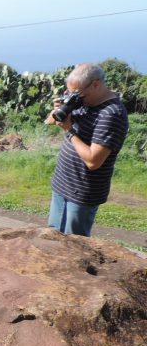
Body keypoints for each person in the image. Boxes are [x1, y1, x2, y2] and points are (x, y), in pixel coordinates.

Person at [44, 63, 128, 237]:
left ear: (96, 84)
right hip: (61, 184)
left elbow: (93, 161)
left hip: (81, 193)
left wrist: (69, 130)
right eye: (71, 92)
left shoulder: (111, 114)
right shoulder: (78, 96)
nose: (74, 97)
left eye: (78, 93)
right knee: (52, 238)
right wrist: (57, 111)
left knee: (75, 245)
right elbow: (50, 121)